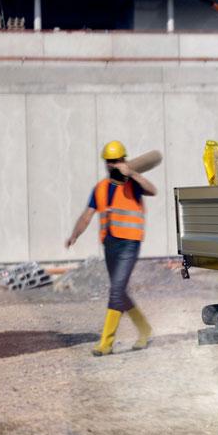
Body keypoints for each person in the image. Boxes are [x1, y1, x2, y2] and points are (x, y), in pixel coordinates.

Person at [65, 140, 157, 357]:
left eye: (117, 160)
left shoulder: (133, 184)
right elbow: (87, 216)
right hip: (111, 245)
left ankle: (106, 343)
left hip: (130, 244)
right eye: (109, 161)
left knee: (115, 291)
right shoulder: (100, 189)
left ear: (124, 160)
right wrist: (74, 235)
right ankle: (145, 329)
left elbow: (152, 190)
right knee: (120, 292)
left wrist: (132, 173)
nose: (113, 164)